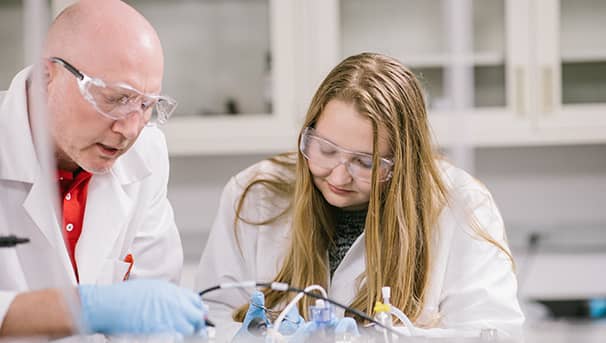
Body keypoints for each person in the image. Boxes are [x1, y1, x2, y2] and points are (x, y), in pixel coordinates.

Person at [195, 52, 525, 339]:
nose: (338, 176)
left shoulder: (462, 206)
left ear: (403, 163)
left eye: (364, 163)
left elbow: (492, 334)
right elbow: (213, 315)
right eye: (324, 150)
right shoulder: (256, 193)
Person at [0, 0, 206, 338]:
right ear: (46, 78)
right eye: (115, 99)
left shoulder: (147, 154)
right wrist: (83, 308)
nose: (130, 129)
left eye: (146, 106)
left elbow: (151, 306)